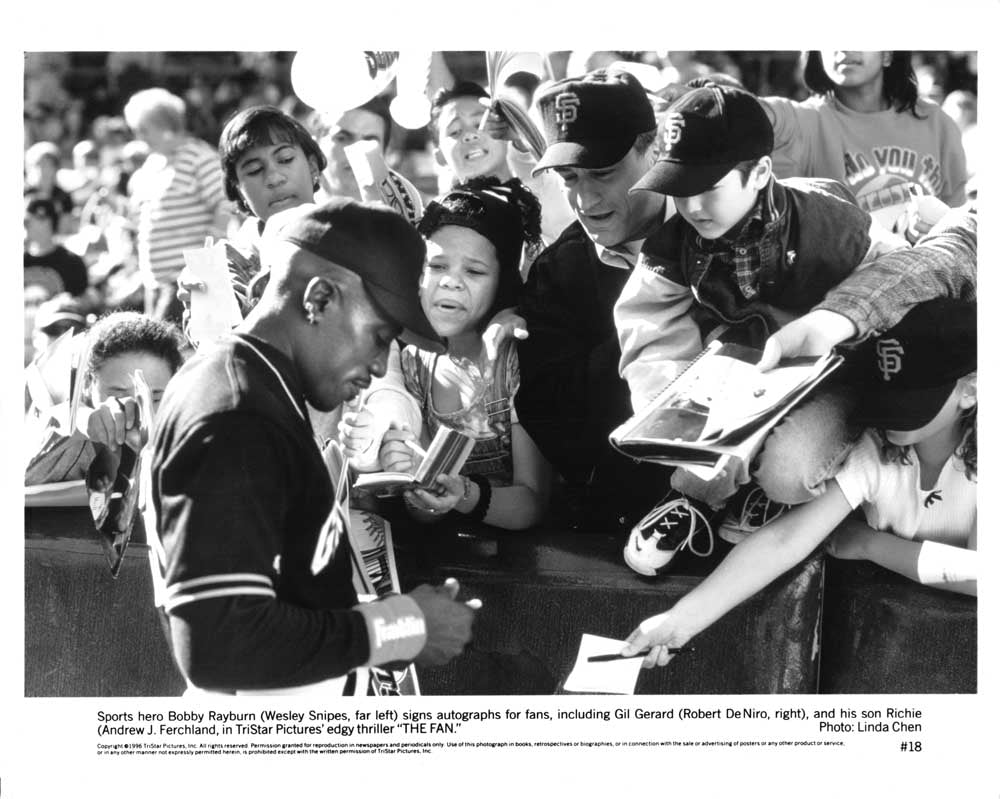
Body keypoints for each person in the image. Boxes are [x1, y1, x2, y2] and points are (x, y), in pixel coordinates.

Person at [150, 198, 477, 694]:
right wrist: (400, 628)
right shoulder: (237, 413)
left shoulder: (253, 384)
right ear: (319, 298)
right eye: (380, 336)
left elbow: (282, 601)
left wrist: (392, 618)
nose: (379, 365)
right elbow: (219, 644)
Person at [613, 81, 915, 575]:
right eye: (680, 189)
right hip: (742, 371)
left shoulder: (830, 224)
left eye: (708, 188)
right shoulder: (676, 240)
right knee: (703, 449)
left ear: (759, 173)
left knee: (787, 472)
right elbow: (648, 321)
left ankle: (775, 498)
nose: (692, 207)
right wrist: (669, 408)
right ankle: (694, 500)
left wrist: (844, 330)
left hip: (835, 375)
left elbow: (899, 277)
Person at [620, 298, 977, 669]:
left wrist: (869, 544)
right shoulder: (878, 447)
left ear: (970, 390)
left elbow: (982, 577)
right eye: (892, 394)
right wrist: (680, 621)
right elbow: (786, 539)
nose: (894, 414)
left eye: (915, 396)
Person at [512, 67, 673, 533]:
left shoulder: (721, 229)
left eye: (602, 172)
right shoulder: (558, 273)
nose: (585, 197)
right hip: (632, 518)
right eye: (568, 177)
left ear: (653, 147)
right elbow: (556, 423)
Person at [374, 178, 551, 530]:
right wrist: (416, 483)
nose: (450, 281)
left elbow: (532, 503)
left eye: (474, 271)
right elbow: (425, 510)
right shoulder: (414, 364)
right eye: (437, 266)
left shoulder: (514, 359)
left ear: (502, 282)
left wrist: (464, 495)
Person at [761, 51, 967, 234]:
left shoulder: (937, 123)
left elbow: (960, 225)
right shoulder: (802, 122)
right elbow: (752, 111)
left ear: (887, 54)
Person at [25, 312, 183, 486]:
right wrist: (82, 422)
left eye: (155, 398)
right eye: (119, 394)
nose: (134, 410)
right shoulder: (72, 435)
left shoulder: (185, 436)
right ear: (87, 383)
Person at [123, 87, 232, 323]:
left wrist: (205, 260)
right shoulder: (152, 165)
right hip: (156, 283)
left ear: (165, 125)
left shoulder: (199, 157)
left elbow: (226, 204)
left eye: (144, 130)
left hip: (191, 280)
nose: (140, 137)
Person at [311, 95, 422, 224]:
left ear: (385, 152)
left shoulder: (407, 207)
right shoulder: (296, 207)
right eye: (342, 138)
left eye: (369, 141)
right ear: (316, 144)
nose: (356, 149)